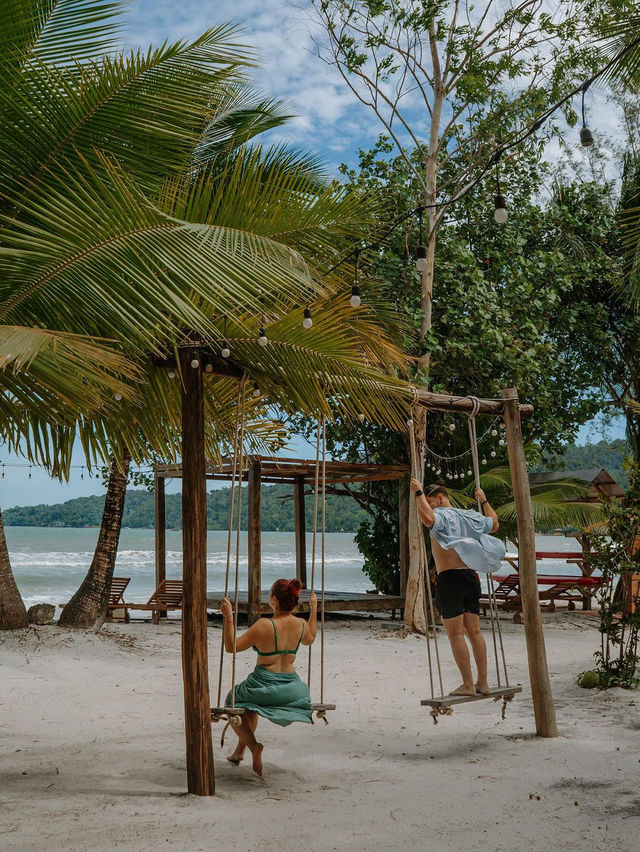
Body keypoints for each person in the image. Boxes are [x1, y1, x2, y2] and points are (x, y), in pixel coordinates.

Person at [409, 479, 505, 697]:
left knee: (456, 634)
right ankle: (483, 682)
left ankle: (468, 685)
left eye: (430, 501)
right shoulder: (470, 515)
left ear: (440, 498)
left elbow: (428, 518)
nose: (428, 505)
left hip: (450, 579)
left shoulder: (441, 515)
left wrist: (417, 493)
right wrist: (484, 501)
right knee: (475, 631)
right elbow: (494, 523)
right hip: (470, 577)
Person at [220, 578, 317, 776]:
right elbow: (311, 638)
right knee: (251, 706)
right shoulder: (301, 625)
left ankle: (254, 746)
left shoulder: (264, 625)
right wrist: (314, 610)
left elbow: (231, 647)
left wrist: (228, 617)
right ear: (295, 602)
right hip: (293, 689)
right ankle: (239, 752)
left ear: (273, 599)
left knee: (233, 701)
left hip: (264, 684)